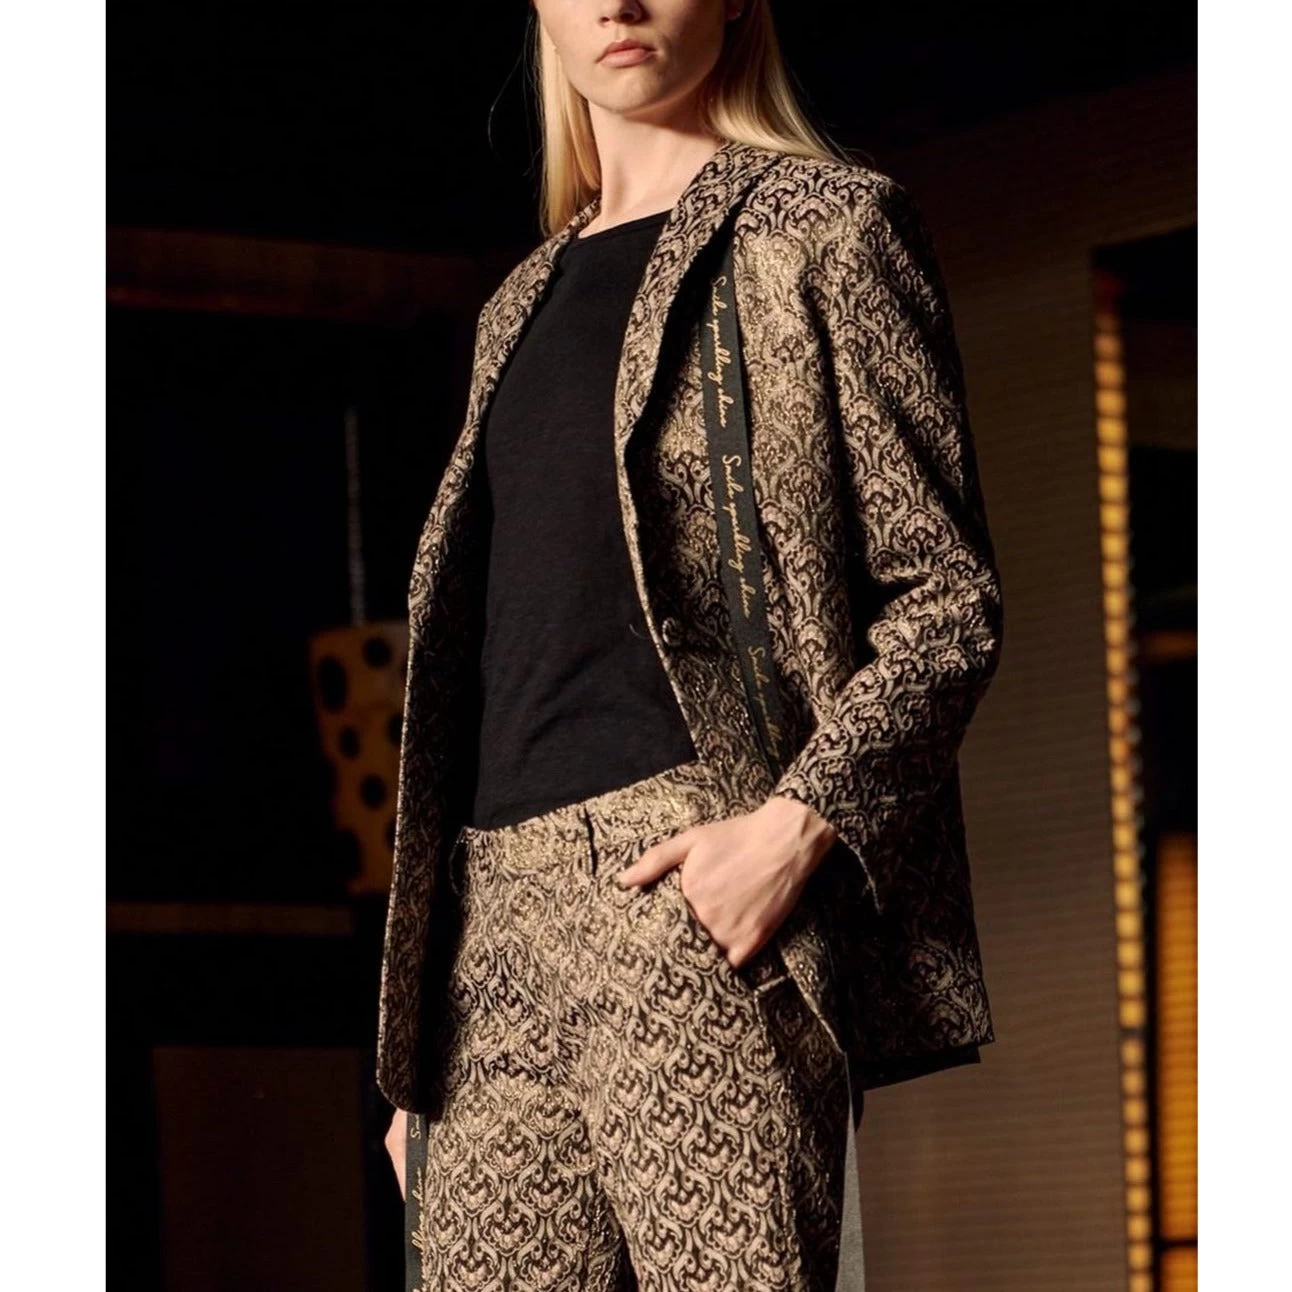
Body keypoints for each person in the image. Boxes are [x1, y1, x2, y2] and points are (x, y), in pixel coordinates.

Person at [378, 1, 1004, 1288]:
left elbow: (946, 599)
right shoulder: (515, 304)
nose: (616, 4)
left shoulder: (823, 228)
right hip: (488, 937)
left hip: (689, 890)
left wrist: (791, 830)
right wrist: (428, 1026)